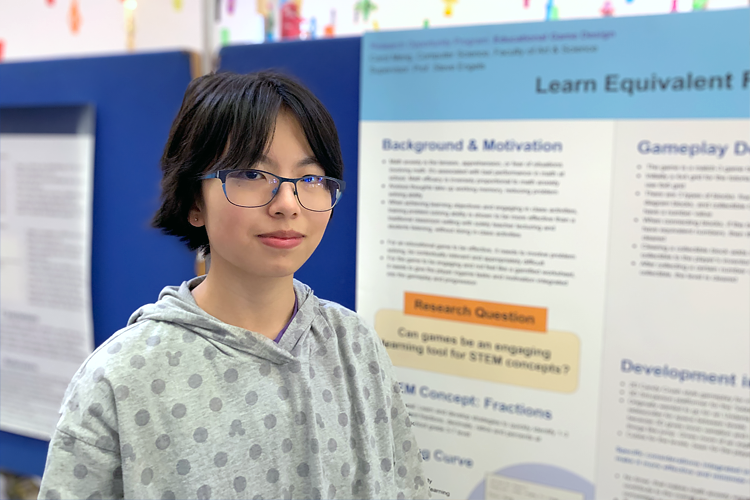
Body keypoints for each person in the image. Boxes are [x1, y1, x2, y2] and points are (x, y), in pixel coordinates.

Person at [38, 71, 429, 500]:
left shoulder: (353, 345)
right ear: (193, 202)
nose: (286, 204)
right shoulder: (120, 378)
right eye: (251, 174)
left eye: (311, 178)